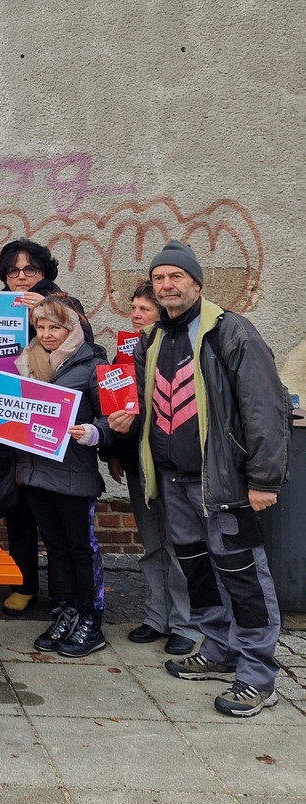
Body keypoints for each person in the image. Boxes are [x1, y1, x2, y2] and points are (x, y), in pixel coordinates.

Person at [130, 240, 290, 718]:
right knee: (197, 571)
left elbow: (265, 409)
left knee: (243, 576)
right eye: (159, 278)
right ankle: (219, 649)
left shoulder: (231, 333)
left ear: (196, 283)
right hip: (173, 481)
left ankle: (258, 675)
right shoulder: (153, 339)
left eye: (175, 276)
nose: (166, 285)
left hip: (222, 484)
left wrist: (264, 480)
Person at [0, 298, 111, 658]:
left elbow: (114, 419)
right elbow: (15, 412)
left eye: (55, 327)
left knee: (81, 548)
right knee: (56, 548)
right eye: (41, 327)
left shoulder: (93, 365)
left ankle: (90, 619)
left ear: (72, 329)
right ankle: (64, 613)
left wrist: (94, 432)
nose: (47, 334)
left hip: (72, 473)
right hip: (33, 473)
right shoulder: (24, 362)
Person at [0, 239, 90, 616]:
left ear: (43, 271)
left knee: (55, 512)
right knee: (15, 505)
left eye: (29, 269)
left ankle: (69, 594)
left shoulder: (65, 303)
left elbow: (85, 347)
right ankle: (24, 583)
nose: (21, 277)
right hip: (7, 418)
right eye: (13, 271)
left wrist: (46, 309)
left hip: (47, 421)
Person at [106, 282, 197, 655]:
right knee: (152, 543)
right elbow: (116, 408)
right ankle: (157, 616)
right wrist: (113, 453)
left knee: (179, 544)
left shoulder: (177, 349)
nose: (135, 314)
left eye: (144, 309)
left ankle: (186, 622)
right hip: (136, 460)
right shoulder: (125, 350)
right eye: (133, 307)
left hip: (171, 461)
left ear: (162, 313)